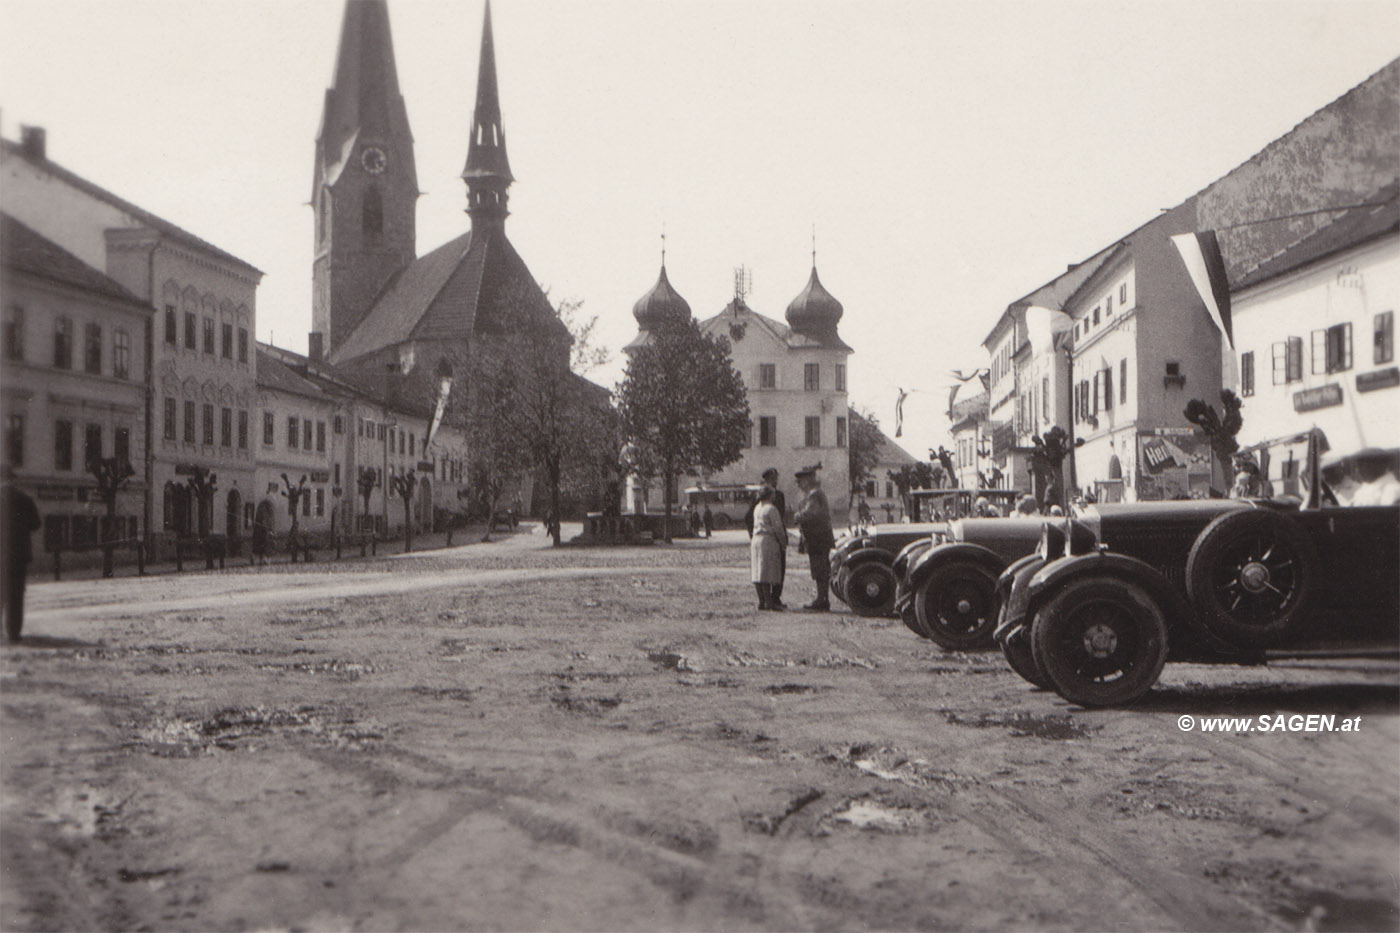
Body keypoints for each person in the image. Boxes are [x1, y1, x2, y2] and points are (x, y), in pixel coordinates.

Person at [2, 466, 41, 643]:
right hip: (19, 555)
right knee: (16, 595)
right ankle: (14, 633)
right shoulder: (25, 499)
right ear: (13, 480)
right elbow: (36, 524)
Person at [793, 466, 835, 611]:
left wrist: (797, 516)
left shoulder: (814, 495)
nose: (798, 484)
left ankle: (821, 600)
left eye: (801, 481)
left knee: (820, 569)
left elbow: (811, 513)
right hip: (819, 536)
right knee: (820, 568)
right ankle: (822, 599)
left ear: (809, 480)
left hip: (818, 537)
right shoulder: (815, 494)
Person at [745, 469, 787, 607]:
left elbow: (783, 517)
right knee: (767, 569)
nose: (775, 480)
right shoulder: (760, 499)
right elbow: (748, 517)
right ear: (766, 479)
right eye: (772, 478)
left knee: (775, 569)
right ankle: (770, 600)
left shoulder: (779, 495)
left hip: (768, 537)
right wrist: (754, 535)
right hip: (770, 537)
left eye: (776, 477)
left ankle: (774, 598)